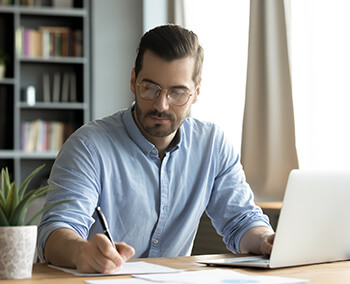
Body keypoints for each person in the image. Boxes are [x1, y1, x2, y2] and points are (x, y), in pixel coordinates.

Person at [38, 24, 275, 274]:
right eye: (150, 88)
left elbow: (241, 221)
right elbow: (56, 231)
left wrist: (266, 240)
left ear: (196, 92)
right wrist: (81, 252)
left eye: (177, 93)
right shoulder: (88, 146)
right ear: (133, 80)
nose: (161, 105)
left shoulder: (213, 145)